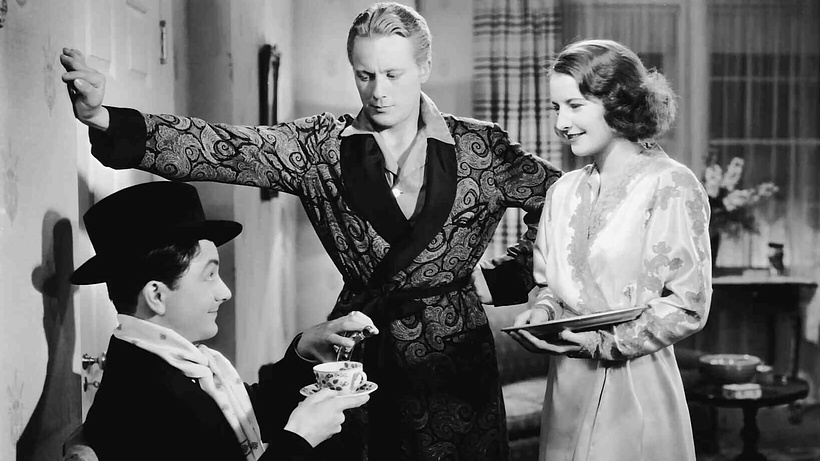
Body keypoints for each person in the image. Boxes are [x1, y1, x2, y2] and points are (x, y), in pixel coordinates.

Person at [60, 3, 562, 459]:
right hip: (359, 350)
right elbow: (227, 148)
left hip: (454, 357)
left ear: (424, 67)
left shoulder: (480, 148)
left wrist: (503, 279)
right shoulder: (322, 146)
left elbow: (564, 203)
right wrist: (105, 119)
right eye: (365, 75)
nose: (378, 91)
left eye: (393, 74)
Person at [507, 39, 712, 461]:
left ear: (617, 102)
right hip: (567, 388)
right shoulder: (562, 192)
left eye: (575, 106)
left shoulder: (671, 185)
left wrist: (602, 343)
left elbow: (688, 304)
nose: (561, 122)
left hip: (636, 387)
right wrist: (542, 313)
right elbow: (551, 285)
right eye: (555, 108)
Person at [68, 181, 375, 461]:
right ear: (157, 296)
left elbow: (242, 415)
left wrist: (304, 349)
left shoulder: (161, 361)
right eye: (210, 274)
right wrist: (300, 439)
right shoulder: (143, 396)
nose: (225, 292)